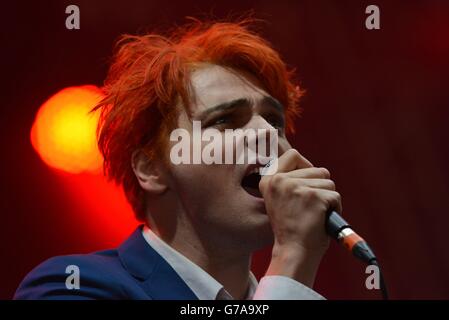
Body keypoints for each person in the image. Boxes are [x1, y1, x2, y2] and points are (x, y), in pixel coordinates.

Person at [15, 18, 342, 300]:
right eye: (225, 120)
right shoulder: (72, 285)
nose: (267, 133)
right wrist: (294, 256)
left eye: (274, 120)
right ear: (151, 168)